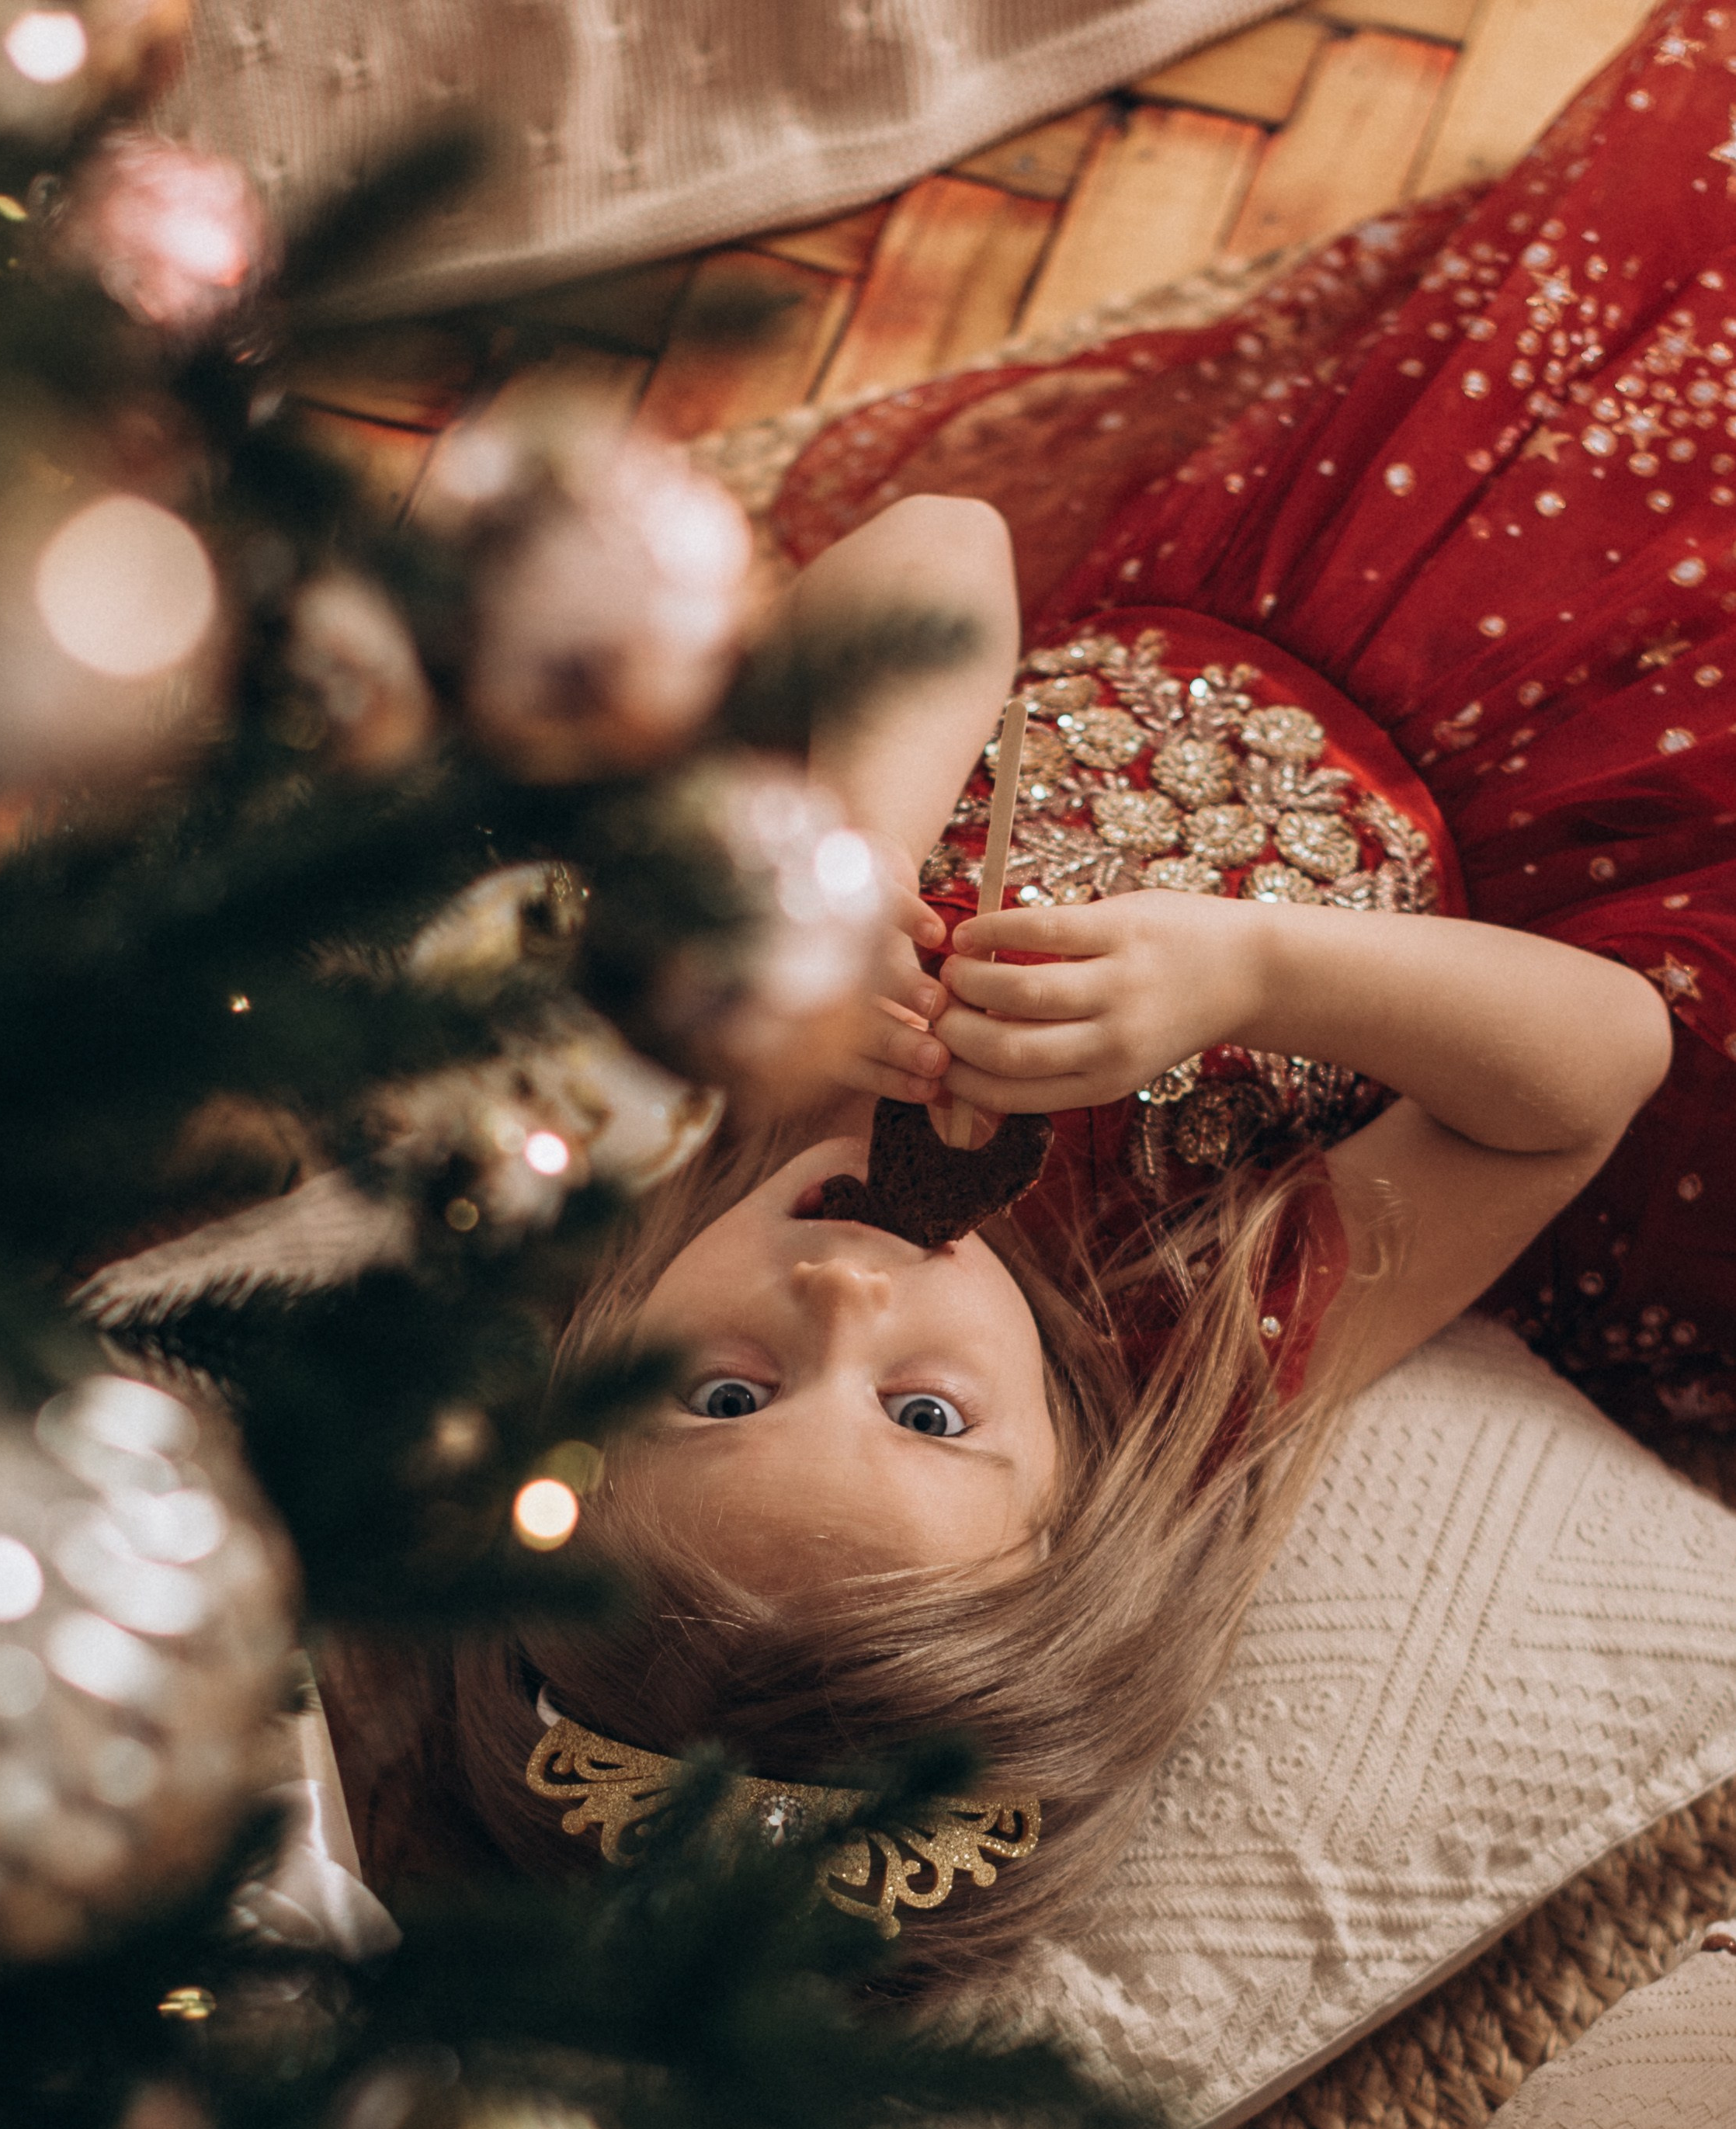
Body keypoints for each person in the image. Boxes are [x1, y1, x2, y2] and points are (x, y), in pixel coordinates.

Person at [335, 0, 1733, 1980]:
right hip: (1584, 773)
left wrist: (848, 877)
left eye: (723, 1392)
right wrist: (1255, 962)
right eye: (918, 1414)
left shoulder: (674, 1066)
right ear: (1075, 1524)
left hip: (1318, 556)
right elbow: (1594, 1062)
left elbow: (938, 552)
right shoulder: (1193, 1328)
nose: (837, 1302)